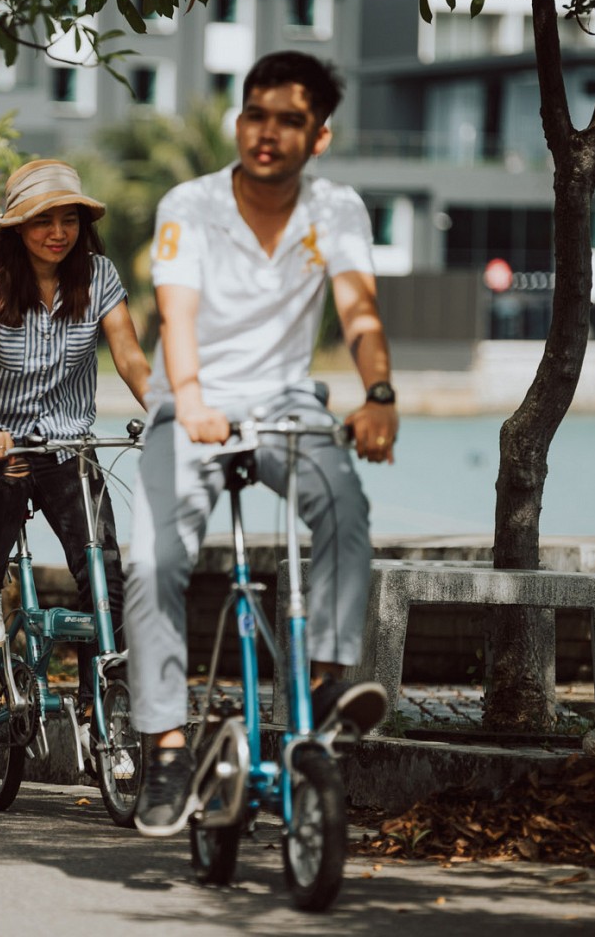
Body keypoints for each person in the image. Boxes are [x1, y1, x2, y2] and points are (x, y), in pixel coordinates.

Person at [125, 51, 398, 836]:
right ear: (237, 120)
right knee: (151, 563)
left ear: (319, 137)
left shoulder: (337, 208)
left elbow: (359, 311)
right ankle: (168, 750)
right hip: (195, 402)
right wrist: (196, 399)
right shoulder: (191, 203)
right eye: (255, 114)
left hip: (285, 406)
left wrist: (379, 397)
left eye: (288, 120)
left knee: (344, 507)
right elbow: (176, 315)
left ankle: (327, 683)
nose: (266, 132)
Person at [0, 159, 150, 746]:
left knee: (106, 578)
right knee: (7, 471)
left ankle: (100, 712)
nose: (57, 233)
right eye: (42, 222)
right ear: (17, 227)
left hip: (66, 445)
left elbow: (131, 358)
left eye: (68, 221)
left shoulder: (100, 275)